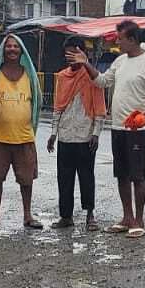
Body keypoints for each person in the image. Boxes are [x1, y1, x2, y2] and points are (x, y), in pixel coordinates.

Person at [67, 20, 145, 238]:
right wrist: (85, 63)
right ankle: (127, 217)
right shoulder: (119, 61)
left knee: (137, 175)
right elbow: (101, 81)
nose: (117, 42)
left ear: (132, 39)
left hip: (138, 128)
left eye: (120, 39)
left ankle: (139, 220)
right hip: (118, 126)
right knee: (121, 175)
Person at [0, 35, 45, 231]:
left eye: (15, 46)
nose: (12, 49)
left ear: (21, 51)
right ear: (2, 50)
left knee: (27, 180)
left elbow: (38, 102)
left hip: (24, 137)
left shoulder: (30, 75)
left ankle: (28, 215)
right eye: (8, 46)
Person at [48, 37, 107, 230]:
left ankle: (90, 215)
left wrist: (96, 133)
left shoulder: (92, 77)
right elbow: (57, 108)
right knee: (64, 178)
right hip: (65, 135)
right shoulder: (62, 77)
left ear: (82, 54)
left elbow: (99, 108)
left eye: (73, 53)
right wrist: (53, 133)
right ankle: (66, 216)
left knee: (86, 176)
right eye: (67, 53)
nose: (69, 57)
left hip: (85, 136)